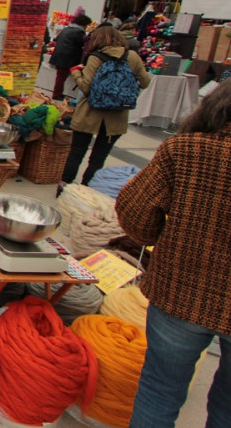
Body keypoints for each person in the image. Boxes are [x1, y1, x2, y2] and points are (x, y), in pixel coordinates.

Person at [115, 78, 231, 428]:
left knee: (159, 391)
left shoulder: (186, 150)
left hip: (181, 289)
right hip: (185, 293)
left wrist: (161, 238)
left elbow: (135, 212)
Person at [59, 25, 151, 195]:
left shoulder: (96, 57)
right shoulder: (132, 57)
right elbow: (145, 82)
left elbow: (86, 87)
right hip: (117, 116)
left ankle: (64, 190)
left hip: (89, 113)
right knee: (98, 158)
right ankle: (87, 192)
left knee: (76, 154)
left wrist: (76, 73)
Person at [49, 13, 93, 100]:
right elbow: (82, 44)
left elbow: (57, 39)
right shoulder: (78, 32)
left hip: (59, 55)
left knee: (60, 77)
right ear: (83, 24)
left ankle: (58, 93)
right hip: (67, 58)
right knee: (61, 77)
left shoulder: (66, 29)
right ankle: (57, 94)